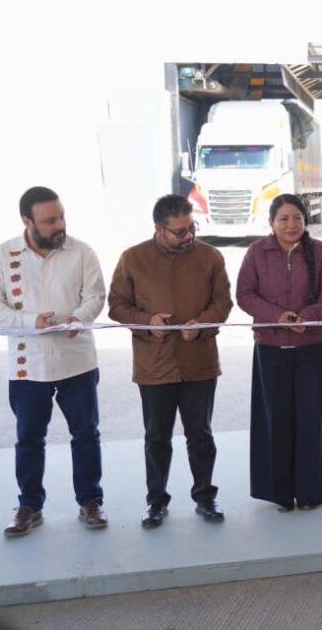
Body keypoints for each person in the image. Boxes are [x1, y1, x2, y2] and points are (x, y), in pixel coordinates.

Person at [0, 186, 108, 537]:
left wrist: (79, 318)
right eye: (50, 220)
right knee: (29, 438)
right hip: (28, 365)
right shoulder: (3, 256)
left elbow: (96, 295)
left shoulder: (82, 251)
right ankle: (29, 506)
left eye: (61, 217)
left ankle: (91, 502)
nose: (59, 225)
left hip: (76, 360)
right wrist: (29, 321)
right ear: (27, 221)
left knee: (86, 434)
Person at [108, 194, 233, 528]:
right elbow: (116, 305)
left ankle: (205, 496)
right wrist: (147, 321)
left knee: (201, 435)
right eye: (179, 232)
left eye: (191, 228)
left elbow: (223, 302)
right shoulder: (133, 259)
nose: (188, 236)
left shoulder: (210, 257)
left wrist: (202, 324)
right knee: (156, 437)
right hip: (154, 365)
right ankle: (156, 501)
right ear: (159, 229)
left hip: (199, 362)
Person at [237, 194, 322, 510]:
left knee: (313, 420)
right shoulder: (257, 252)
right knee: (275, 421)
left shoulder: (320, 251)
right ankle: (279, 493)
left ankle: (312, 492)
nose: (291, 224)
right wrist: (277, 316)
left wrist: (308, 317)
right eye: (283, 218)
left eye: (297, 218)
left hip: (313, 348)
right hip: (271, 349)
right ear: (271, 222)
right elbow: (245, 294)